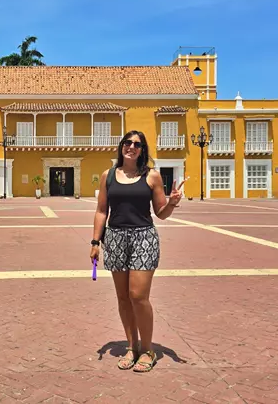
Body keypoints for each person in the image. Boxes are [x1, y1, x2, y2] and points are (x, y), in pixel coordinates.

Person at [89, 130, 184, 373]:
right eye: (127, 143)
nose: (131, 147)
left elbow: (160, 213)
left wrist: (172, 202)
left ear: (143, 150)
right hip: (116, 238)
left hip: (144, 237)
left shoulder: (151, 176)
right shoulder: (108, 176)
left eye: (137, 144)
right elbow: (102, 211)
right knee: (123, 298)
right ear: (121, 146)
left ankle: (148, 349)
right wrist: (95, 242)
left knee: (138, 296)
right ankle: (132, 347)